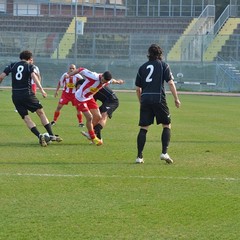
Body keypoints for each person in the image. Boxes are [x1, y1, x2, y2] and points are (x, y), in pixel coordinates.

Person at [0, 50, 63, 147]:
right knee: (40, 112)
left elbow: (1, 77)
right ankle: (51, 135)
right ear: (30, 58)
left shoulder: (12, 65)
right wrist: (42, 90)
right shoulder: (30, 66)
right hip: (27, 93)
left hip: (16, 95)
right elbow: (34, 77)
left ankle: (39, 135)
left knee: (26, 117)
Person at [135, 44, 181, 164]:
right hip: (159, 98)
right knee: (167, 125)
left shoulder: (142, 67)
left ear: (149, 53)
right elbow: (170, 83)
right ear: (160, 54)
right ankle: (164, 153)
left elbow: (137, 89)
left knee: (144, 128)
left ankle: (139, 157)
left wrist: (141, 102)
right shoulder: (164, 65)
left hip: (145, 99)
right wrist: (176, 98)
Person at [68, 67, 124, 146]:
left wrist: (119, 82)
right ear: (102, 76)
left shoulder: (106, 81)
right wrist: (69, 75)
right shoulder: (93, 76)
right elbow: (80, 69)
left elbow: (113, 81)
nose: (103, 82)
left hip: (89, 98)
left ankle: (90, 133)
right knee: (89, 117)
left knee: (98, 116)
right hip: (80, 98)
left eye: (105, 82)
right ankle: (93, 137)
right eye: (103, 80)